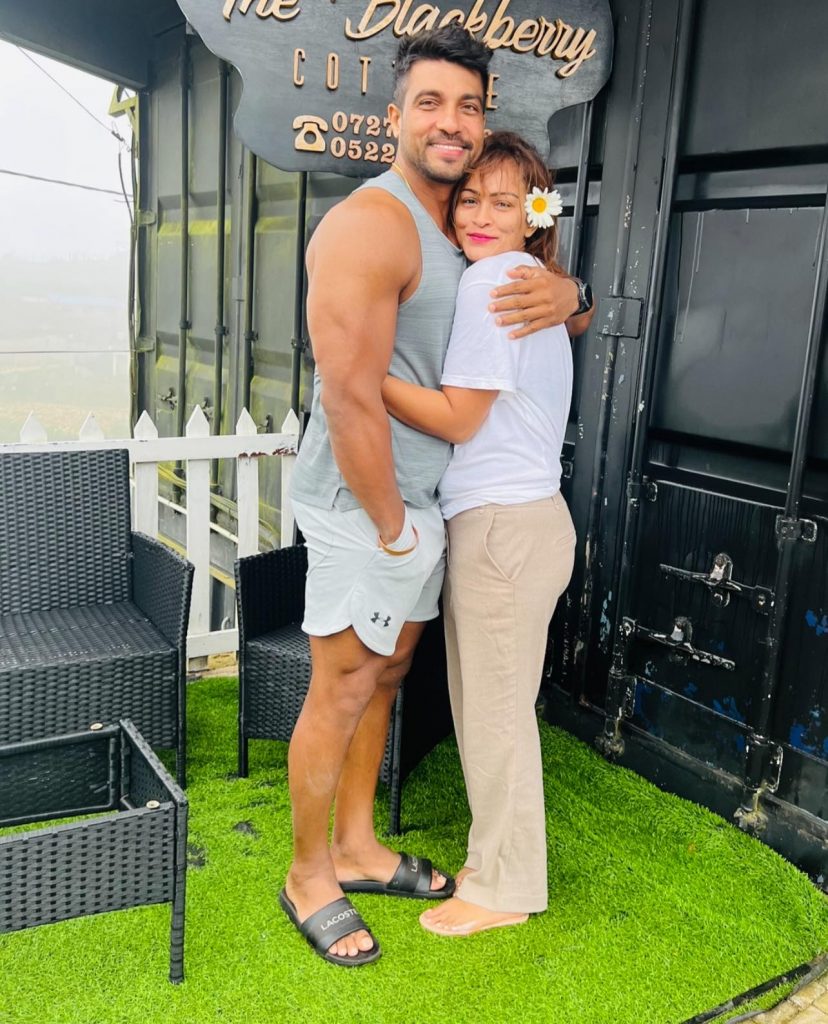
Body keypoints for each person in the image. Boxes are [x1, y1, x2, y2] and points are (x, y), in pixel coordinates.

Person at [281, 26, 594, 967]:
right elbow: (348, 395)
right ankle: (309, 874)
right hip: (368, 507)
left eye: (467, 105)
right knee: (342, 685)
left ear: (482, 121)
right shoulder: (370, 226)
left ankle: (358, 844)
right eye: (430, 102)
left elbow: (530, 295)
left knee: (384, 679)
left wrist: (571, 290)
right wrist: (389, 527)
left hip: (433, 506)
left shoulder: (465, 229)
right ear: (395, 117)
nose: (450, 121)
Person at [381, 131, 577, 937]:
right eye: (470, 199)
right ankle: (493, 859)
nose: (481, 216)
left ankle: (504, 889)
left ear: (535, 216)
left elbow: (460, 416)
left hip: (501, 528)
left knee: (494, 716)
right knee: (493, 708)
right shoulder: (530, 280)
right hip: (525, 523)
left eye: (505, 202)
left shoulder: (494, 279)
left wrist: (365, 376)